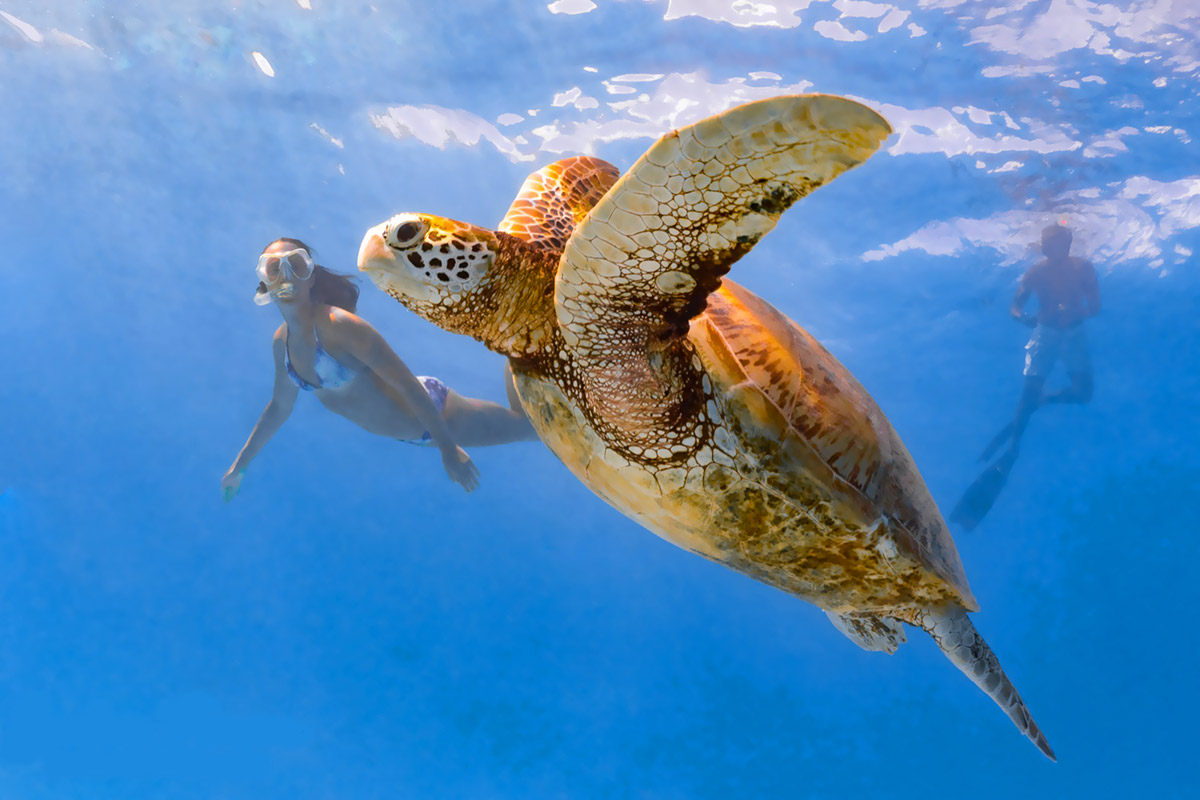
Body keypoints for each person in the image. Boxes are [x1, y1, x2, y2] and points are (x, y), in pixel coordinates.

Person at [222, 238, 537, 501]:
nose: (286, 276)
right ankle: (523, 347)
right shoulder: (282, 344)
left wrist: (448, 447)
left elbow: (405, 383)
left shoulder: (338, 325)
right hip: (415, 433)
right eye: (274, 268)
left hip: (437, 415)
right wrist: (239, 467)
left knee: (530, 429)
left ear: (311, 277)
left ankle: (525, 335)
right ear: (265, 282)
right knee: (527, 425)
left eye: (297, 264)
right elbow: (279, 407)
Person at [952, 223, 1100, 530]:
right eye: (1051, 245)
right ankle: (1013, 449)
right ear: (1044, 247)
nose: (1056, 250)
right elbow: (1015, 308)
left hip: (1073, 333)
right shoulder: (1035, 273)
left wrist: (1075, 313)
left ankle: (1038, 403)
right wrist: (1027, 319)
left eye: (1061, 244)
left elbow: (1095, 307)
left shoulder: (1084, 268)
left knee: (1083, 393)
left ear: (1069, 244)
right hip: (1045, 333)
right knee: (1028, 392)